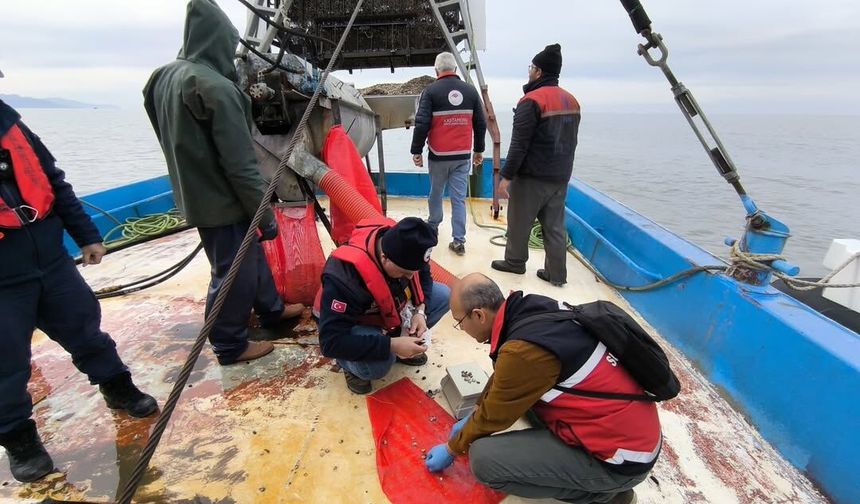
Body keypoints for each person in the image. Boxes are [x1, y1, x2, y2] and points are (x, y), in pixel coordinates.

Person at [0, 96, 158, 483]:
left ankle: (118, 388)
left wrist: (86, 236)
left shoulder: (13, 127)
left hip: (51, 262)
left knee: (87, 330)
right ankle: (20, 441)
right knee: (5, 364)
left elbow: (55, 181)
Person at [143, 0, 303, 366]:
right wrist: (265, 216)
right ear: (218, 40)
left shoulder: (161, 77)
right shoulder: (217, 88)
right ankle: (230, 344)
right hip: (224, 201)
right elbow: (241, 167)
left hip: (192, 192)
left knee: (250, 258)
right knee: (233, 272)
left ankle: (271, 308)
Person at [425, 273, 660, 504]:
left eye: (459, 322)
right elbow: (507, 378)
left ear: (478, 315)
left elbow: (494, 416)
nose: (461, 328)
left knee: (483, 460)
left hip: (620, 461)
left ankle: (606, 496)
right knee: (518, 404)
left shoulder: (522, 351)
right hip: (624, 430)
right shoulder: (529, 310)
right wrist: (476, 409)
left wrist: (452, 448)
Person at [315, 217, 451, 394]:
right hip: (352, 322)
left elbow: (423, 276)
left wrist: (420, 311)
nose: (410, 278)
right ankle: (349, 366)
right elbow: (330, 343)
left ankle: (402, 346)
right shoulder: (343, 279)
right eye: (404, 273)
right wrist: (391, 345)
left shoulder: (409, 247)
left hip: (388, 310)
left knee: (444, 295)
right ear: (384, 257)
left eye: (413, 272)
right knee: (377, 368)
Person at [491, 43, 580, 286]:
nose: (530, 71)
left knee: (520, 221)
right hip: (561, 177)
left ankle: (515, 262)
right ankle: (556, 274)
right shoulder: (572, 101)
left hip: (532, 177)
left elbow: (519, 144)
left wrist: (505, 177)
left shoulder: (530, 101)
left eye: (532, 67)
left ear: (539, 72)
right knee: (554, 227)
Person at [411, 52, 486, 256]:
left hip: (438, 156)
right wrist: (478, 150)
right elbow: (481, 123)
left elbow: (422, 123)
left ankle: (433, 228)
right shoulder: (470, 92)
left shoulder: (430, 92)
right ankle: (459, 240)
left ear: (436, 71)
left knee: (436, 193)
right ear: (454, 69)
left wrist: (416, 150)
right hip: (462, 157)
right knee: (458, 199)